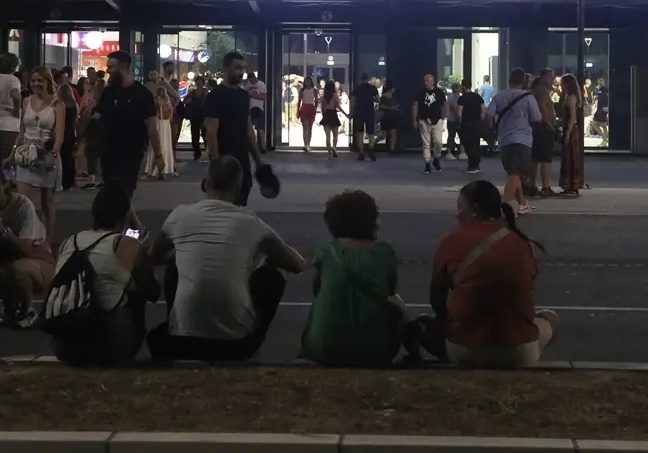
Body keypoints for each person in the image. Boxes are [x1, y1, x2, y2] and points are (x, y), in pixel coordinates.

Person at [146, 156, 305, 361]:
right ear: (238, 191)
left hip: (183, 343)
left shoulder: (179, 215)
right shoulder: (250, 222)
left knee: (174, 264)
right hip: (236, 346)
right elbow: (298, 264)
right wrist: (262, 257)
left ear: (204, 185)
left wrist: (180, 251)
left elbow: (154, 258)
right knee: (276, 271)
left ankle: (181, 322)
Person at [417, 179, 559, 368]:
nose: (457, 214)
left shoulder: (451, 242)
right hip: (518, 352)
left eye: (460, 207)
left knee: (420, 325)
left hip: (464, 349)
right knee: (550, 318)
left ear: (474, 210)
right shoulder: (521, 243)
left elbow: (437, 299)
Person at [48, 187, 160, 367]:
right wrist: (141, 245)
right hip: (110, 347)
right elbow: (153, 292)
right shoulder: (128, 246)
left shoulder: (69, 242)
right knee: (135, 290)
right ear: (125, 215)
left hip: (64, 344)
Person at [300, 190, 413, 367]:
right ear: (371, 222)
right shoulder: (384, 252)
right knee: (399, 307)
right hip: (375, 352)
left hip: (324, 350)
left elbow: (317, 290)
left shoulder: (325, 252)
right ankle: (414, 353)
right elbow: (391, 292)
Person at [0, 159, 54, 329]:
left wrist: (2, 230)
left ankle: (26, 310)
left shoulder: (22, 204)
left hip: (37, 258)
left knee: (16, 269)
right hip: (6, 258)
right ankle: (10, 307)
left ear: (5, 184)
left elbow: (26, 248)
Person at [92, 51, 164, 200]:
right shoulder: (108, 92)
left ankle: (127, 224)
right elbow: (96, 118)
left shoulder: (142, 94)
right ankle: (131, 224)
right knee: (111, 193)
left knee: (125, 192)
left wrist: (158, 155)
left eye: (111, 67)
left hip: (131, 152)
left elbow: (151, 126)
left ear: (124, 67)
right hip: (108, 151)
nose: (108, 71)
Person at [204, 51, 266, 207]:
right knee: (222, 212)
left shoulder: (243, 95)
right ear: (225, 68)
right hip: (224, 162)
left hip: (242, 163)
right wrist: (216, 163)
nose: (241, 72)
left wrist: (259, 161)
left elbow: (248, 130)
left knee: (240, 206)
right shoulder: (215, 96)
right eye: (237, 67)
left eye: (243, 68)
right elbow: (211, 132)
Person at [11, 67, 66, 242]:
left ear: (48, 82)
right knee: (23, 201)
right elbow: (21, 130)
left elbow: (59, 133)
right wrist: (13, 152)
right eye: (33, 80)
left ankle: (47, 241)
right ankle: (26, 237)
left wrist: (54, 153)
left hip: (46, 154)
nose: (36, 84)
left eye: (40, 81)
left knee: (46, 202)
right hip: (26, 154)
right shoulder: (26, 101)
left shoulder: (58, 104)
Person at [488, 68, 541, 213]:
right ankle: (502, 207)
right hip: (523, 139)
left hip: (504, 139)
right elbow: (537, 118)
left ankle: (522, 204)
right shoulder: (529, 98)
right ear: (523, 81)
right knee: (515, 173)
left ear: (509, 80)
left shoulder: (499, 96)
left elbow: (489, 114)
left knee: (513, 172)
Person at [411, 73, 448, 174]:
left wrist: (443, 117)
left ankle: (436, 157)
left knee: (438, 142)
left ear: (433, 82)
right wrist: (414, 119)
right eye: (425, 81)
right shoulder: (420, 93)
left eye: (428, 81)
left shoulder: (439, 92)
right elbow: (415, 105)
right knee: (426, 144)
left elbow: (444, 104)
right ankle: (427, 163)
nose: (426, 83)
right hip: (424, 120)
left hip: (437, 120)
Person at [529, 70, 557, 195]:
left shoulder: (534, 91)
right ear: (544, 77)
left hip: (536, 127)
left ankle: (532, 185)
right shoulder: (543, 91)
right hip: (543, 127)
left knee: (534, 158)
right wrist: (549, 123)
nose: (553, 80)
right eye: (551, 77)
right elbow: (543, 107)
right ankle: (545, 187)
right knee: (545, 158)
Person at [557, 73, 584, 195]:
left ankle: (569, 184)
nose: (561, 85)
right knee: (572, 156)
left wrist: (567, 131)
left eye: (562, 83)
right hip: (573, 129)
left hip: (571, 130)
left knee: (569, 157)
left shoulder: (570, 98)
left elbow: (572, 116)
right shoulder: (574, 97)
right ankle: (573, 184)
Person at [456, 79, 486, 175]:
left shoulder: (462, 98)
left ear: (464, 86)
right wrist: (480, 119)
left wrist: (459, 123)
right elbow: (483, 110)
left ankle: (472, 165)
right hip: (477, 123)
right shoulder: (478, 97)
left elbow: (459, 113)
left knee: (468, 144)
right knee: (476, 143)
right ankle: (476, 164)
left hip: (466, 123)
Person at [351, 74, 380, 162]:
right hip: (369, 112)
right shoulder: (373, 88)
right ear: (368, 79)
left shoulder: (357, 88)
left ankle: (361, 152)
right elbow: (378, 100)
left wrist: (351, 112)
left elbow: (352, 100)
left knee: (359, 133)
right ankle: (370, 149)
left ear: (361, 79)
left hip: (359, 112)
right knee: (371, 133)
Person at [184, 76, 209, 161]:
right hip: (195, 115)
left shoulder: (205, 91)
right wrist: (190, 102)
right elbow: (185, 100)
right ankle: (197, 153)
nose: (199, 84)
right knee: (195, 135)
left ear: (203, 83)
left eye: (200, 82)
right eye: (197, 82)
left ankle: (207, 153)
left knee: (205, 135)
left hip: (203, 115)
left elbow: (207, 102)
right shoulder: (193, 92)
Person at [319, 79, 343, 158]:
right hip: (333, 114)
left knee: (327, 136)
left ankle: (329, 151)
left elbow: (322, 108)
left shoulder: (323, 96)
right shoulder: (335, 95)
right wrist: (346, 114)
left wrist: (323, 116)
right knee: (335, 135)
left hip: (326, 115)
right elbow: (338, 106)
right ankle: (334, 147)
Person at [378, 84, 401, 153]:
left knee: (393, 133)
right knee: (383, 135)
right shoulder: (384, 97)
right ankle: (372, 144)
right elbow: (381, 106)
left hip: (393, 116)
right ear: (390, 89)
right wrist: (392, 108)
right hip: (386, 116)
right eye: (393, 88)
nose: (394, 90)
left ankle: (392, 149)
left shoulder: (394, 96)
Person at [297, 78, 318, 152]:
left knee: (310, 128)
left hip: (311, 108)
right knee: (305, 127)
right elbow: (299, 100)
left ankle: (308, 144)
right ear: (304, 82)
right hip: (304, 108)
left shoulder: (314, 90)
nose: (307, 83)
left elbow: (316, 100)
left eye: (309, 81)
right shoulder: (302, 90)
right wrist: (297, 111)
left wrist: (315, 108)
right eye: (306, 82)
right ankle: (305, 144)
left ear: (311, 82)